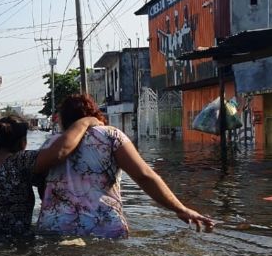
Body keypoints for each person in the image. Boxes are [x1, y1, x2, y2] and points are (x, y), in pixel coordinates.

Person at [36, 94, 215, 238]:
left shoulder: (50, 144)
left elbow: (40, 184)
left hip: (55, 228)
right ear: (93, 114)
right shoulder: (111, 136)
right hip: (103, 228)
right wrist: (180, 209)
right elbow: (144, 176)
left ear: (64, 120)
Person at [0, 114, 100, 236]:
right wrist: (83, 123)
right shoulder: (21, 161)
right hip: (15, 241)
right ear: (22, 143)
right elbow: (60, 151)